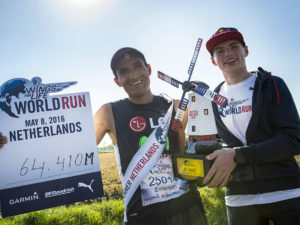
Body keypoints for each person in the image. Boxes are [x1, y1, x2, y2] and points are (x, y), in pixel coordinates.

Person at [93, 47, 207, 225]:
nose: (132, 75)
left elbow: (203, 142)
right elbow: (78, 154)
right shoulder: (108, 113)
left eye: (138, 66)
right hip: (143, 216)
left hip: (187, 208)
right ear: (117, 81)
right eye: (124, 72)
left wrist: (201, 96)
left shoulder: (176, 107)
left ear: (149, 69)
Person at [203, 27, 300, 225]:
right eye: (220, 51)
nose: (228, 53)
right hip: (239, 200)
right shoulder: (212, 100)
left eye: (234, 46)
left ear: (245, 51)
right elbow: (217, 146)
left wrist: (238, 155)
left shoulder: (272, 84)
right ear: (214, 61)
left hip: (287, 193)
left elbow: (293, 140)